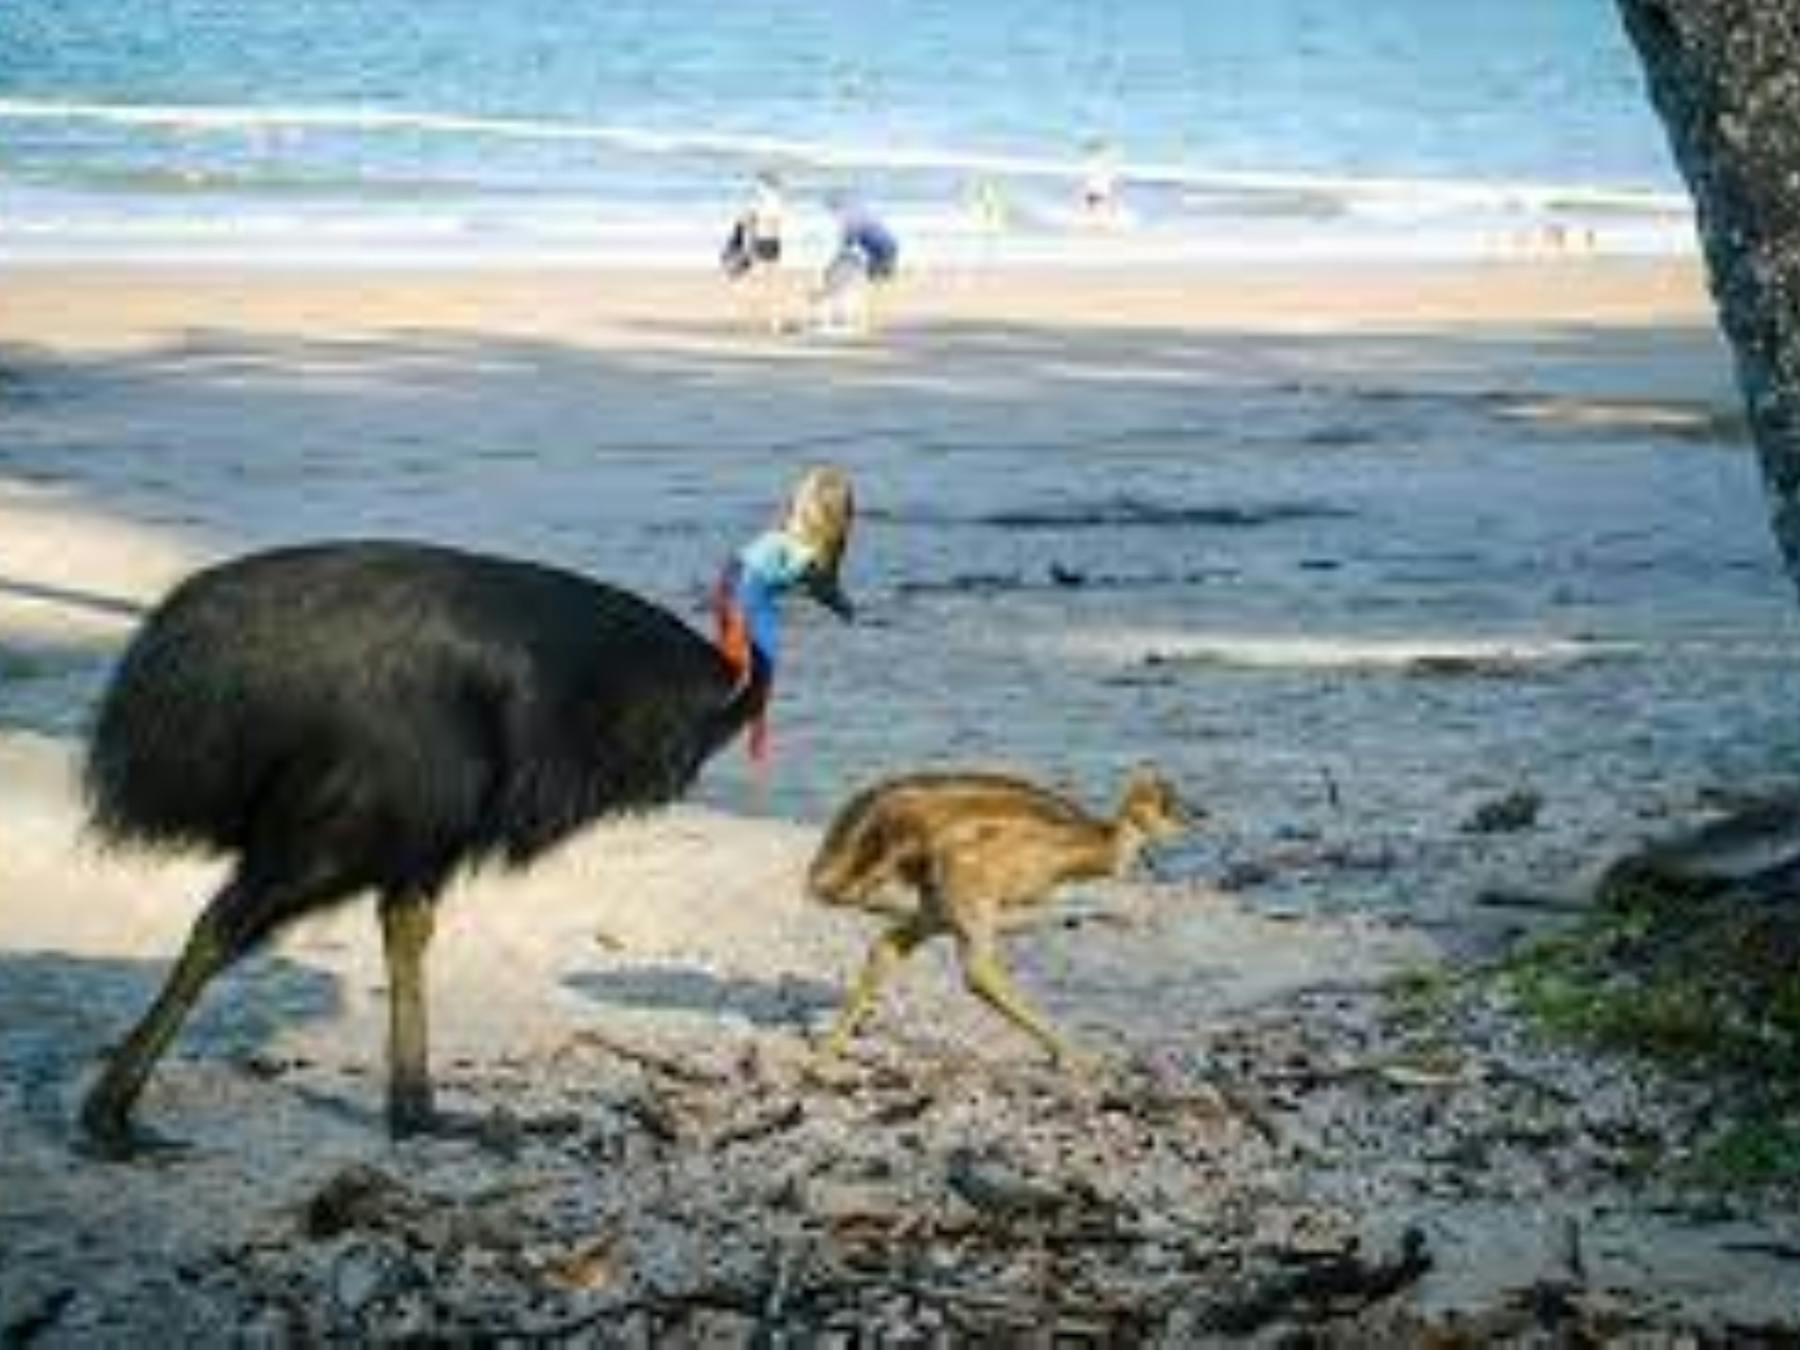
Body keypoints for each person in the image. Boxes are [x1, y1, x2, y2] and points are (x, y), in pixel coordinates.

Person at [812, 192, 899, 336]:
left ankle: (850, 318)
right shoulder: (859, 215)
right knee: (856, 283)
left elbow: (848, 242)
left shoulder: (851, 219)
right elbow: (851, 244)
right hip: (882, 249)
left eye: (833, 210)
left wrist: (837, 262)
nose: (833, 215)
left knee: (853, 282)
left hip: (880, 250)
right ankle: (853, 317)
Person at [722, 170, 787, 331]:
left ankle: (756, 321)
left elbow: (748, 225)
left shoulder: (758, 204)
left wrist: (744, 240)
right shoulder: (778, 203)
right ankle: (774, 322)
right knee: (772, 283)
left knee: (756, 283)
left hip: (760, 242)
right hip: (774, 243)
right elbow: (776, 225)